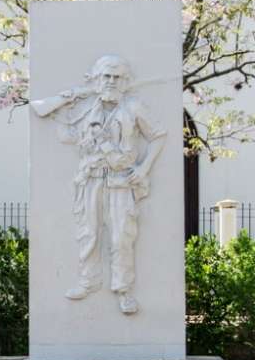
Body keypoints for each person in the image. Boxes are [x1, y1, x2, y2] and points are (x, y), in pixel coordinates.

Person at [31, 54, 166, 314]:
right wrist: (65, 103)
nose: (111, 82)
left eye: (117, 77)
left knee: (121, 237)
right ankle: (88, 281)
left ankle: (124, 290)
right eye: (106, 76)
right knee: (88, 234)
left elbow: (158, 135)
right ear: (96, 79)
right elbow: (65, 136)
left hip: (121, 180)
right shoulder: (84, 108)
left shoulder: (134, 106)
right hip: (90, 179)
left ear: (125, 81)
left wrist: (144, 168)